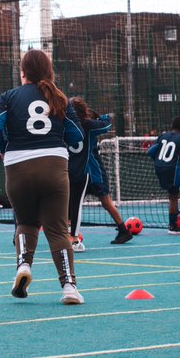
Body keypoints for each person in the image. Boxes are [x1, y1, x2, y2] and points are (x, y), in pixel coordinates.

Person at [0, 49, 85, 304]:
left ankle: (23, 266)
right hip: (54, 165)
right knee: (58, 230)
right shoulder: (59, 97)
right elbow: (77, 135)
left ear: (22, 72)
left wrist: (2, 148)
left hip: (18, 166)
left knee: (26, 222)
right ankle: (69, 287)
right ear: (48, 71)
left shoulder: (8, 96)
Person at [67, 97, 130, 251]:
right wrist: (100, 116)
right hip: (84, 170)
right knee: (72, 203)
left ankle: (123, 230)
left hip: (92, 171)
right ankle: (70, 233)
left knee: (104, 201)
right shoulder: (89, 125)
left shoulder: (72, 126)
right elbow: (106, 123)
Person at [148, 116, 180, 234]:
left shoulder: (163, 136)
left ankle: (175, 213)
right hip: (172, 168)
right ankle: (173, 225)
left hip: (158, 167)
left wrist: (159, 160)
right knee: (174, 197)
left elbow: (150, 151)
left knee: (171, 194)